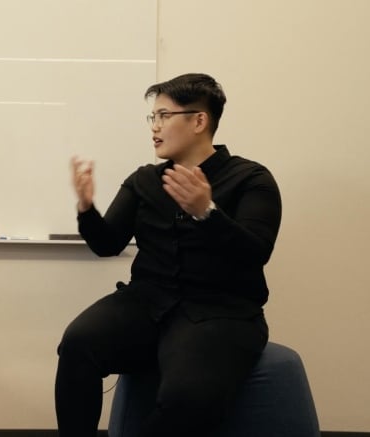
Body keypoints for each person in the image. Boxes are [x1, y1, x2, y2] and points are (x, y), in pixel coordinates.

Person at [55, 73, 282, 436]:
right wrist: (86, 207)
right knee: (77, 343)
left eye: (163, 116)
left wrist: (206, 212)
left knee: (187, 397)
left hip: (219, 312)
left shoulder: (251, 178)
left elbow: (255, 252)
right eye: (152, 118)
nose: (154, 127)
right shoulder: (145, 180)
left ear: (199, 121)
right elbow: (107, 244)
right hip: (148, 301)